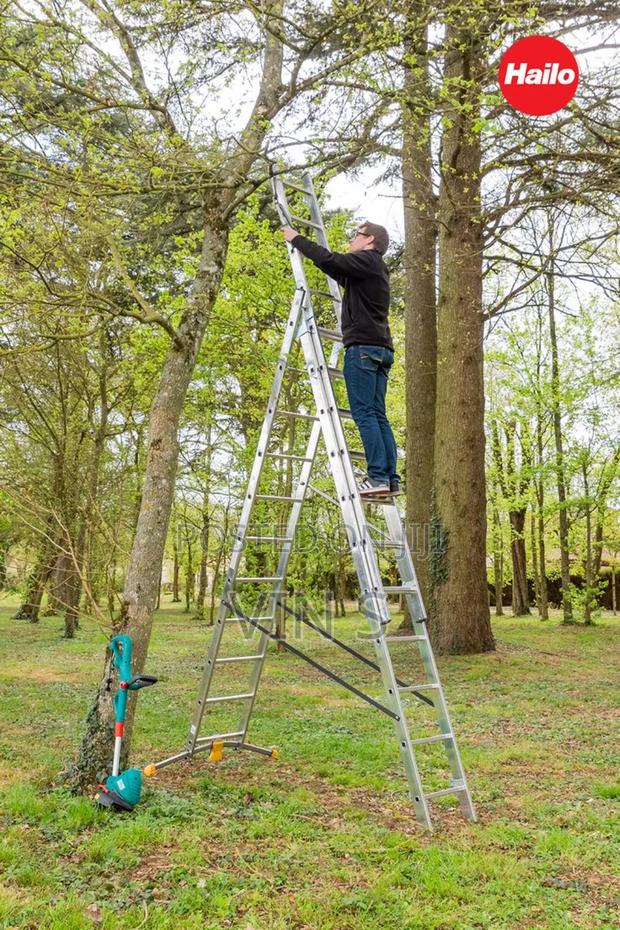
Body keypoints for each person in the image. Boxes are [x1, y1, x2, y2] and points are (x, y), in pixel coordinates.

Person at [281, 221, 400, 498]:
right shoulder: (374, 269)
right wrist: (319, 258)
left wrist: (297, 239)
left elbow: (331, 259)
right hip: (381, 350)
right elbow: (335, 267)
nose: (351, 240)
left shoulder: (366, 261)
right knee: (378, 415)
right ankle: (390, 478)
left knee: (365, 414)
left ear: (369, 241)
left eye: (356, 235)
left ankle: (378, 476)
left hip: (363, 350)